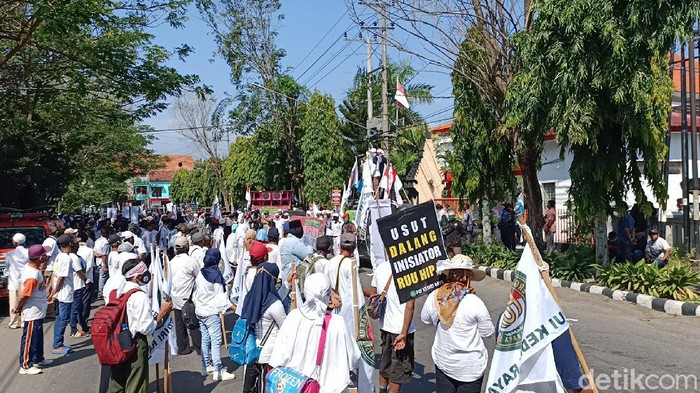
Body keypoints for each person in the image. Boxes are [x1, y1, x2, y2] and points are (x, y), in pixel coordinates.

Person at [268, 273, 360, 393]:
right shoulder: (338, 322)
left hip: (296, 388)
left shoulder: (293, 317)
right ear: (327, 295)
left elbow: (277, 359)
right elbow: (354, 359)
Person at [420, 255, 493, 393]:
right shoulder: (475, 302)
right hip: (471, 370)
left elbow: (425, 319)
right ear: (468, 278)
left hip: (444, 365)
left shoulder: (436, 296)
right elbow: (487, 333)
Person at [109, 259, 172, 393]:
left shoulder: (117, 292)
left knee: (117, 383)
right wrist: (163, 313)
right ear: (136, 276)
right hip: (134, 344)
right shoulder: (139, 296)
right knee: (136, 384)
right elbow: (146, 328)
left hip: (116, 342)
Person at [327, 233, 375, 393]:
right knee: (354, 350)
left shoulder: (331, 263)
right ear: (354, 248)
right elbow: (357, 297)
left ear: (339, 246)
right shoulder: (350, 264)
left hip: (335, 311)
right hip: (349, 313)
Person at [368, 260, 416, 393]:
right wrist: (404, 333)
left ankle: (382, 390)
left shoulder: (381, 267)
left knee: (385, 364)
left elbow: (374, 292)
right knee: (398, 371)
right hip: (401, 329)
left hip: (385, 326)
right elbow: (410, 306)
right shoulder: (409, 271)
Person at [241, 262, 287, 392]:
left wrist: (287, 286)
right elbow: (285, 328)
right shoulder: (274, 304)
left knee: (250, 388)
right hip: (270, 355)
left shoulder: (249, 298)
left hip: (252, 351)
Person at [193, 249, 236, 381]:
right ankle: (218, 370)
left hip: (200, 311)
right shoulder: (216, 276)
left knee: (205, 339)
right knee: (216, 341)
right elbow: (220, 299)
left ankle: (206, 366)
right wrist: (234, 308)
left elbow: (196, 293)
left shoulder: (201, 272)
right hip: (211, 312)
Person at [14, 244, 53, 375]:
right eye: (44, 254)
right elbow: (25, 294)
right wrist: (18, 308)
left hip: (38, 309)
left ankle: (38, 358)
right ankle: (25, 365)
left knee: (37, 336)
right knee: (29, 338)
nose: (46, 256)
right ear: (39, 257)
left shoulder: (33, 269)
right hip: (32, 310)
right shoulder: (32, 275)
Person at [170, 236, 202, 355]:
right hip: (188, 298)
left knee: (180, 324)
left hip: (176, 297)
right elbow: (198, 276)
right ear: (187, 247)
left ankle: (183, 348)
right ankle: (199, 347)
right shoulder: (191, 261)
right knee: (193, 324)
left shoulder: (171, 262)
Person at [47, 234, 75, 355]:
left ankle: (58, 342)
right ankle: (57, 345)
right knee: (63, 319)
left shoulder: (59, 256)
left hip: (60, 293)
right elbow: (61, 278)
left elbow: (55, 273)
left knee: (60, 318)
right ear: (69, 244)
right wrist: (55, 291)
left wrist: (52, 290)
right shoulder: (66, 258)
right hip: (64, 293)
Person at [69, 234, 90, 338]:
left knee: (80, 308)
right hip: (77, 286)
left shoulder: (69, 256)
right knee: (75, 309)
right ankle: (73, 329)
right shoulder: (74, 258)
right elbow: (80, 272)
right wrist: (85, 279)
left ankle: (85, 327)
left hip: (76, 286)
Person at [6, 233, 28, 329]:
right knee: (25, 302)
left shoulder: (10, 254)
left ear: (15, 242)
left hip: (13, 282)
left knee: (14, 302)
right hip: (26, 281)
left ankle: (14, 322)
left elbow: (7, 266)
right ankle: (24, 321)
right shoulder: (28, 252)